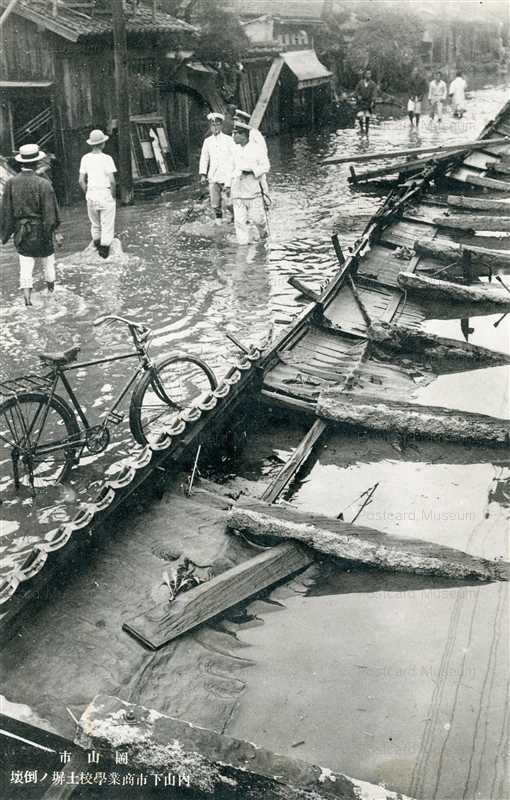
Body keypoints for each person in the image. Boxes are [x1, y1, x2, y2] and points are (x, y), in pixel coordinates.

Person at [1, 143, 62, 307]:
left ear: (21, 163)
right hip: (41, 232)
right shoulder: (44, 184)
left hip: (22, 233)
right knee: (48, 264)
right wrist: (55, 232)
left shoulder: (11, 183)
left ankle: (27, 301)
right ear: (37, 163)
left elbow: (6, 211)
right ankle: (51, 294)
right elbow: (50, 213)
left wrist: (6, 234)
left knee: (25, 268)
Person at [229, 121, 270, 245]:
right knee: (239, 222)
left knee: (257, 219)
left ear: (244, 135)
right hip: (237, 190)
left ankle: (263, 232)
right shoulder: (234, 150)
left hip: (252, 190)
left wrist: (252, 170)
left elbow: (266, 167)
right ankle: (243, 246)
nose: (233, 136)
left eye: (236, 134)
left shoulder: (256, 149)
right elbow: (229, 168)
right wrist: (227, 185)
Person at [79, 129, 117, 259]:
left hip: (91, 193)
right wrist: (113, 196)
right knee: (107, 224)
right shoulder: (107, 159)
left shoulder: (85, 158)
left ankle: (96, 248)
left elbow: (81, 181)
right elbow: (112, 181)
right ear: (103, 144)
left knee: (95, 224)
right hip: (104, 192)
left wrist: (87, 193)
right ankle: (105, 254)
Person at [198, 112, 236, 226]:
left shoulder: (229, 140)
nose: (215, 127)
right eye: (213, 125)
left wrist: (232, 176)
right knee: (215, 202)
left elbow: (234, 159)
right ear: (210, 127)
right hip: (213, 176)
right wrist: (203, 174)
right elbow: (204, 158)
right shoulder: (207, 141)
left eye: (217, 124)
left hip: (226, 176)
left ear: (221, 125)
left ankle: (236, 217)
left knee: (229, 202)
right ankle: (218, 221)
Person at [354, 69, 377, 136]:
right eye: (367, 74)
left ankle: (367, 131)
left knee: (367, 116)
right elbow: (356, 91)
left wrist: (373, 101)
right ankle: (361, 129)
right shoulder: (360, 83)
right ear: (364, 75)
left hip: (368, 102)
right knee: (360, 116)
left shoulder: (373, 84)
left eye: (370, 74)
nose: (368, 75)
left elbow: (374, 93)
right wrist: (358, 96)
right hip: (361, 102)